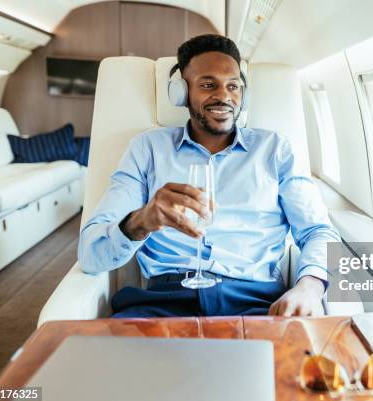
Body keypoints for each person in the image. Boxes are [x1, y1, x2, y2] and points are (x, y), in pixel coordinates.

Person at [77, 34, 340, 317]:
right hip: (163, 303)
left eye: (233, 86)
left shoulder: (276, 150)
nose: (224, 96)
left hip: (256, 303)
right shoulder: (148, 148)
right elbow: (91, 255)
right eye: (208, 84)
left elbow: (319, 231)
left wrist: (311, 286)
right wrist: (142, 220)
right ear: (180, 92)